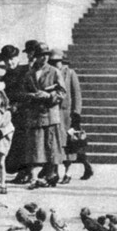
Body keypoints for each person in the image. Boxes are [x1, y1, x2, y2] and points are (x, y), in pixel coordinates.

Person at [21, 43, 66, 189]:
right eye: (41, 55)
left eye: (46, 55)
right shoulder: (29, 74)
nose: (44, 58)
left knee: (51, 147)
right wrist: (32, 96)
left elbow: (62, 92)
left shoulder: (54, 72)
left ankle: (51, 176)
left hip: (50, 115)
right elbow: (23, 93)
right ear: (36, 56)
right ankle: (34, 177)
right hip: (34, 115)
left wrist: (49, 95)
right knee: (35, 147)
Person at [48, 49, 94, 183]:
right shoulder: (51, 73)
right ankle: (55, 172)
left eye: (57, 62)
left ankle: (68, 173)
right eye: (52, 62)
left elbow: (77, 95)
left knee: (70, 146)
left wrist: (76, 114)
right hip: (54, 114)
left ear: (62, 62)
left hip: (67, 115)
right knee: (56, 144)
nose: (55, 64)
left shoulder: (70, 73)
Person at [0, 44, 31, 184]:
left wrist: (16, 105)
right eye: (6, 60)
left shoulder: (26, 72)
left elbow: (28, 93)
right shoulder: (6, 76)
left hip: (25, 112)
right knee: (15, 144)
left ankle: (26, 173)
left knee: (23, 143)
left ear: (18, 58)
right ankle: (21, 172)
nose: (9, 63)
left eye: (12, 59)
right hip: (12, 114)